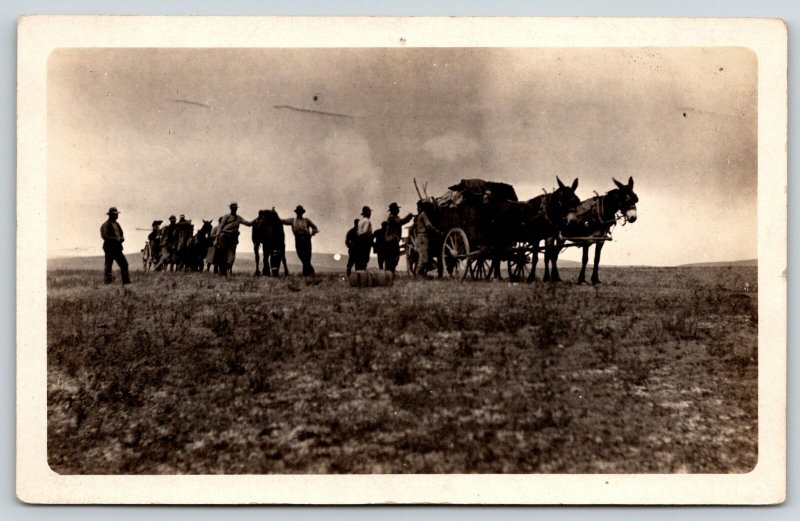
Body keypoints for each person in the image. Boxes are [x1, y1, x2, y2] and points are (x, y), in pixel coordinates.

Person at [216, 202, 253, 276]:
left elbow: (248, 223)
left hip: (233, 238)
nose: (234, 209)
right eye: (233, 208)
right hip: (224, 236)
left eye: (235, 208)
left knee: (232, 256)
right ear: (230, 208)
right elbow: (221, 226)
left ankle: (226, 268)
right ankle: (222, 271)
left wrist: (257, 220)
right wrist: (217, 237)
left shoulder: (239, 218)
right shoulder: (226, 216)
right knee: (223, 254)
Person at [282, 205, 319, 276]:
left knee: (307, 256)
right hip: (298, 239)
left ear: (302, 213)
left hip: (307, 239)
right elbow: (283, 221)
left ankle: (306, 274)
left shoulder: (306, 220)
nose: (299, 213)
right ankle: (310, 272)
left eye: (300, 212)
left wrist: (312, 233)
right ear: (296, 212)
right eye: (298, 212)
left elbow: (315, 227)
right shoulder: (292, 220)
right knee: (301, 255)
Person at [100, 207, 131, 285]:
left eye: (117, 214)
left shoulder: (117, 224)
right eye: (115, 214)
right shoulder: (105, 225)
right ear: (110, 215)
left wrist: (122, 238)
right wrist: (116, 239)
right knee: (108, 266)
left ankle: (126, 283)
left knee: (124, 264)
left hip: (117, 248)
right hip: (109, 248)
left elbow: (121, 234)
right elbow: (105, 236)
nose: (117, 216)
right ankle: (107, 283)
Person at [413, 201, 441, 277]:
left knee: (424, 259)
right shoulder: (423, 214)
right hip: (423, 238)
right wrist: (437, 231)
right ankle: (418, 275)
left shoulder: (420, 215)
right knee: (423, 259)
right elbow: (428, 225)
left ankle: (420, 275)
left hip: (422, 237)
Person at [384, 202, 413, 274]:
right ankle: (389, 274)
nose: (398, 210)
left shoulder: (392, 217)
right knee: (393, 258)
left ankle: (390, 274)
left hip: (391, 240)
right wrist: (409, 216)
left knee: (392, 259)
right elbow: (401, 222)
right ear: (394, 210)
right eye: (397, 209)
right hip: (391, 241)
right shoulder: (392, 217)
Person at [355, 206, 373, 271]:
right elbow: (365, 232)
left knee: (360, 259)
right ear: (367, 213)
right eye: (369, 212)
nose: (370, 214)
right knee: (365, 259)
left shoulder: (360, 221)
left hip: (359, 241)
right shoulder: (367, 221)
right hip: (365, 241)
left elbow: (358, 231)